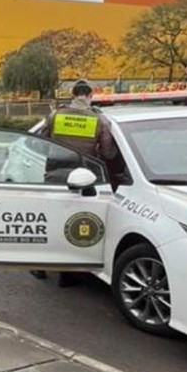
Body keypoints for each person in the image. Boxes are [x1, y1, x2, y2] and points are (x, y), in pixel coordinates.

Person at [35, 80, 117, 285]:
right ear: (90, 95)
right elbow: (108, 153)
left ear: (73, 94)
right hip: (82, 178)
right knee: (73, 224)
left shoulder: (56, 115)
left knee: (49, 222)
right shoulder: (99, 120)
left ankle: (38, 264)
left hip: (54, 175)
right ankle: (66, 274)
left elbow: (42, 142)